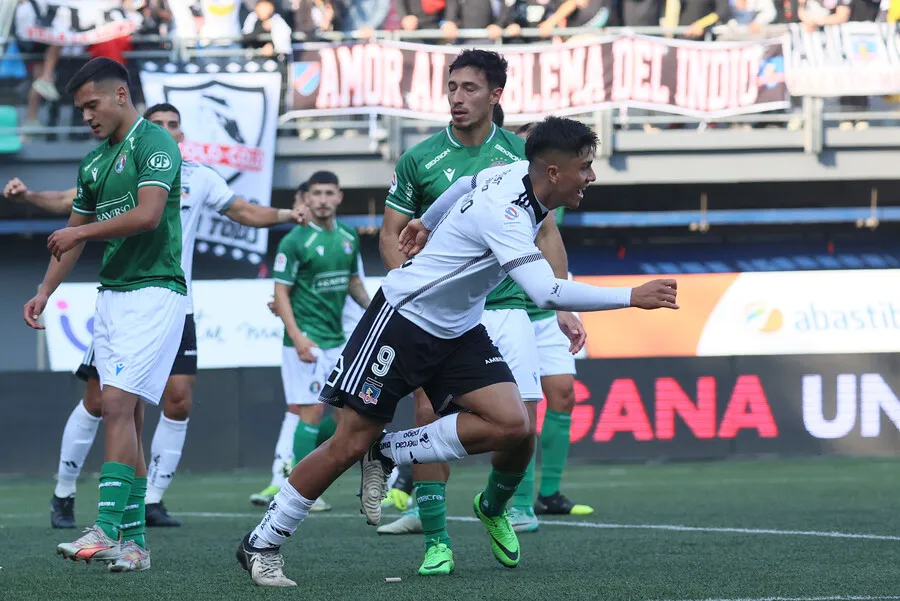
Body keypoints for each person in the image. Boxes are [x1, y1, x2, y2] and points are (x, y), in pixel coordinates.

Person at [235, 116, 679, 588]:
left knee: (513, 426)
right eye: (585, 166)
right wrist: (632, 295)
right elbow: (545, 292)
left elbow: (468, 181)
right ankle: (262, 542)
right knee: (347, 443)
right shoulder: (505, 212)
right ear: (553, 172)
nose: (591, 175)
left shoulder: (513, 175)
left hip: (460, 328)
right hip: (404, 321)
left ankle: (391, 452)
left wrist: (425, 223)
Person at [5, 101, 308, 535]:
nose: (165, 131)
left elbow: (241, 210)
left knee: (176, 398)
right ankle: (66, 491)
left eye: (173, 125)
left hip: (173, 302)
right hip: (123, 298)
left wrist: (284, 214)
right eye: (157, 124)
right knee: (104, 403)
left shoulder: (199, 176)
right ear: (143, 131)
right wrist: (30, 198)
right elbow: (71, 206)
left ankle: (146, 505)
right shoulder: (117, 167)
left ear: (181, 136)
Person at [375, 48, 577, 576]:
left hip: (507, 307)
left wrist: (561, 302)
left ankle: (496, 507)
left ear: (495, 95)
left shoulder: (522, 154)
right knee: (428, 415)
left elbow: (547, 230)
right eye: (452, 88)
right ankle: (436, 542)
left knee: (518, 427)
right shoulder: (419, 159)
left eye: (469, 89)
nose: (457, 98)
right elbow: (392, 233)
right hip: (438, 314)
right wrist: (409, 294)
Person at [22, 57, 187, 573]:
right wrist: (45, 290)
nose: (87, 116)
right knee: (129, 414)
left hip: (155, 290)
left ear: (120, 95)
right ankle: (134, 545)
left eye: (92, 105)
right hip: (112, 295)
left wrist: (80, 232)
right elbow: (69, 238)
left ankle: (106, 528)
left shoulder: (155, 143)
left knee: (114, 405)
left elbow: (147, 215)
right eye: (80, 109)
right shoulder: (94, 163)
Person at [250, 171, 371, 508]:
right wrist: (298, 337)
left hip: (336, 339)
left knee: (346, 415)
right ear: (307, 198)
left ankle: (295, 472)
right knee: (312, 411)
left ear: (339, 196)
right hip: (306, 342)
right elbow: (281, 294)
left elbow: (353, 281)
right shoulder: (294, 240)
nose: (321, 199)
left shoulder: (348, 235)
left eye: (328, 192)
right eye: (315, 193)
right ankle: (301, 491)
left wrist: (375, 308)